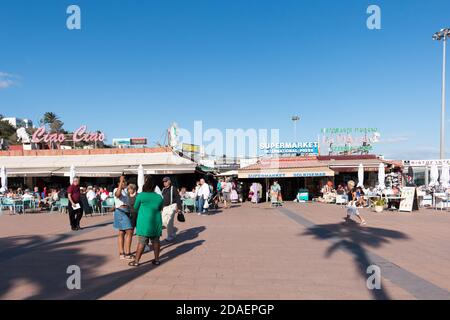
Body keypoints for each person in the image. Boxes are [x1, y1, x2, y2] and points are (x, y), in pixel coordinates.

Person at [129, 176, 164, 267]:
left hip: (144, 223)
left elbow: (135, 208)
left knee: (142, 242)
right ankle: (157, 260)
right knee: (156, 242)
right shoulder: (159, 197)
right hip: (155, 222)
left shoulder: (141, 195)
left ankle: (136, 261)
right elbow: (160, 208)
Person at [113, 176, 134, 260]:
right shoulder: (116, 189)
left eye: (125, 181)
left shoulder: (125, 191)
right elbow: (117, 195)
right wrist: (121, 181)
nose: (125, 183)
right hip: (121, 212)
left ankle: (122, 253)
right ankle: (127, 253)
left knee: (121, 232)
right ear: (119, 183)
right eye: (124, 181)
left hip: (124, 212)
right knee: (129, 231)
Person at [161, 177, 182, 242]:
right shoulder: (163, 189)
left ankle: (170, 236)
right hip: (164, 207)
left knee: (170, 222)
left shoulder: (173, 188)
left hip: (172, 206)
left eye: (166, 181)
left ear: (169, 181)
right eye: (164, 182)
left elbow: (178, 198)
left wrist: (179, 208)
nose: (164, 183)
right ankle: (172, 233)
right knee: (163, 222)